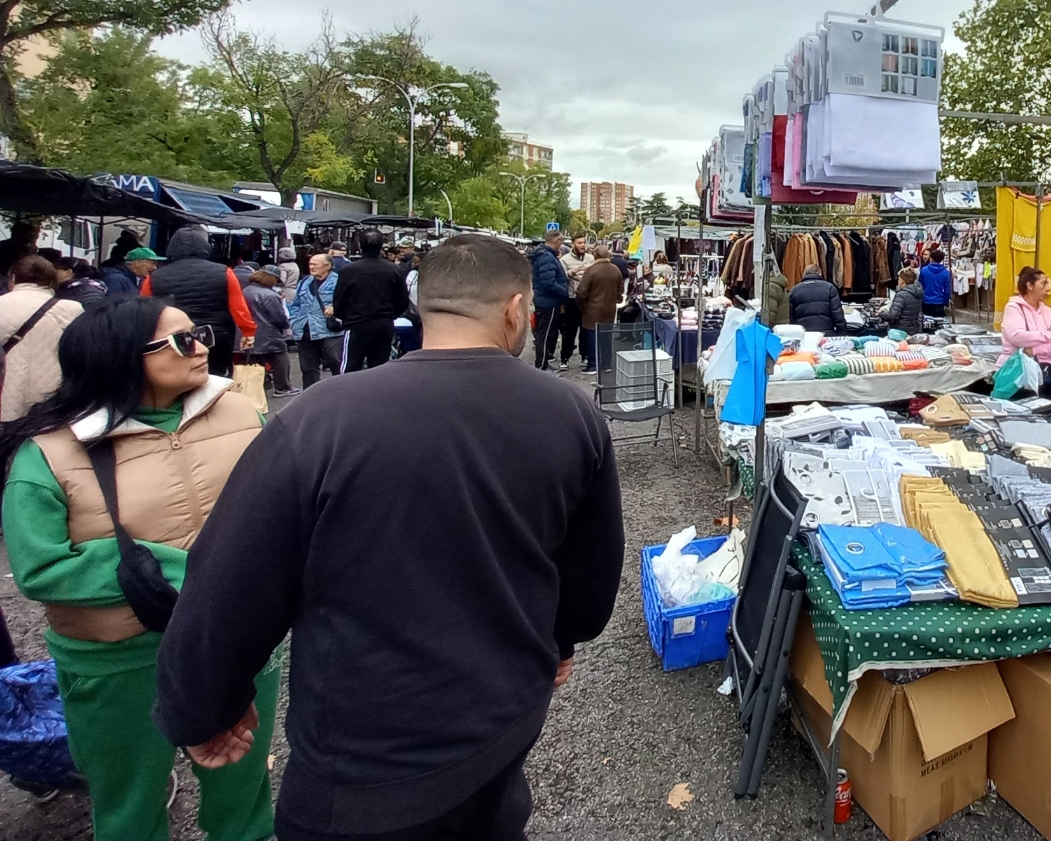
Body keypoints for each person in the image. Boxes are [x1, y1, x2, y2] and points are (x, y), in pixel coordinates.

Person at [151, 234, 625, 841]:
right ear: (515, 310)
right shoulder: (571, 413)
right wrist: (562, 638)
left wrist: (202, 704)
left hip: (357, 754)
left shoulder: (321, 416)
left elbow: (234, 578)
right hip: (500, 721)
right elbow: (592, 566)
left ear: (420, 305)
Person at [2, 297, 276, 841]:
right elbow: (39, 566)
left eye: (199, 333)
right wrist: (169, 570)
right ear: (121, 356)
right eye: (181, 340)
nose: (201, 347)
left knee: (245, 792)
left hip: (232, 639)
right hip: (117, 658)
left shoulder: (242, 414)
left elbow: (282, 508)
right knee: (128, 802)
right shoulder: (50, 452)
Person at [142, 226, 255, 377]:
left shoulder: (154, 278)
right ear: (204, 248)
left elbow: (145, 311)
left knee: (180, 376)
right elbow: (238, 306)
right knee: (216, 377)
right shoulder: (224, 272)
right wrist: (248, 331)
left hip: (175, 337)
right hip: (217, 336)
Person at [0, 255, 84, 424]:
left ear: (13, 278)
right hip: (52, 399)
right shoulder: (71, 309)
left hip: (6, 394)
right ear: (52, 280)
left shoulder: (2, 304)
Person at [332, 229, 409, 373]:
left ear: (360, 245)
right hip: (384, 323)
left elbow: (339, 299)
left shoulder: (349, 270)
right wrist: (390, 315)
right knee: (380, 367)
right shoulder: (393, 269)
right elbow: (403, 299)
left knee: (350, 366)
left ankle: (348, 388)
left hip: (356, 323)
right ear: (381, 245)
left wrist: (345, 317)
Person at [1000, 266, 1051, 396]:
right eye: (1043, 283)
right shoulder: (1013, 308)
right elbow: (1017, 337)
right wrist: (1046, 335)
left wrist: (1033, 350)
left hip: (1044, 372)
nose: (1048, 288)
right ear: (1030, 286)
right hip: (1015, 371)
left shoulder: (1050, 313)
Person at [290, 254, 343, 390]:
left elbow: (349, 302)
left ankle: (341, 392)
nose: (311, 267)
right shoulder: (305, 282)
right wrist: (294, 321)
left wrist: (335, 308)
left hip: (329, 331)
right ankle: (311, 395)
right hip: (304, 331)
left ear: (327, 266)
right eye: (310, 264)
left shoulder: (339, 281)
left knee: (336, 364)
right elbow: (296, 304)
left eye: (315, 264)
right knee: (308, 369)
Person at [244, 265, 295, 397]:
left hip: (249, 333)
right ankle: (283, 387)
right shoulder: (269, 295)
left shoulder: (245, 291)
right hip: (269, 334)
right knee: (280, 359)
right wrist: (286, 326)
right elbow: (279, 317)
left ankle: (256, 388)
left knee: (255, 362)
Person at [575, 247, 625, 374]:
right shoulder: (615, 270)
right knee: (606, 337)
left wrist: (581, 305)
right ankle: (606, 364)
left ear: (595, 255)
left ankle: (593, 365)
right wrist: (616, 299)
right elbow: (620, 290)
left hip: (592, 309)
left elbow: (581, 292)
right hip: (609, 309)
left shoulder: (591, 270)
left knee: (592, 337)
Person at [529, 232, 571, 371]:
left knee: (547, 334)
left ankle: (544, 363)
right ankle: (541, 366)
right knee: (545, 334)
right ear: (556, 240)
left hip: (547, 300)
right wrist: (564, 293)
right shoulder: (546, 257)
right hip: (548, 302)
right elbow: (548, 282)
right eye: (561, 241)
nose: (561, 244)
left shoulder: (546, 255)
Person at [557, 236, 593, 365]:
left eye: (584, 242)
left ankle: (585, 355)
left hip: (587, 299)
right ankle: (565, 358)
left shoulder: (591, 258)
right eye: (579, 243)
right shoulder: (565, 260)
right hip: (572, 298)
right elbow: (560, 277)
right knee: (570, 330)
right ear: (573, 244)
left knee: (585, 329)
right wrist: (570, 273)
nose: (582, 245)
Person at [789, 264, 844, 335]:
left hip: (804, 335)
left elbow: (790, 317)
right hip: (826, 334)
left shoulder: (794, 290)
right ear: (820, 273)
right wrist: (841, 333)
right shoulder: (829, 288)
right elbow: (838, 315)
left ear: (804, 274)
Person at [884, 266, 924, 334]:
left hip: (900, 331)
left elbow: (892, 315)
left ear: (902, 281)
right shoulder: (918, 293)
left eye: (899, 279)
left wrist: (881, 314)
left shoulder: (901, 295)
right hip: (914, 330)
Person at [918, 249, 952, 319]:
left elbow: (920, 286)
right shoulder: (946, 273)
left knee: (926, 322)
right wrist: (945, 303)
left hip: (926, 302)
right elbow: (947, 290)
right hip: (939, 303)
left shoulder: (924, 270)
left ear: (931, 258)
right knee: (939, 323)